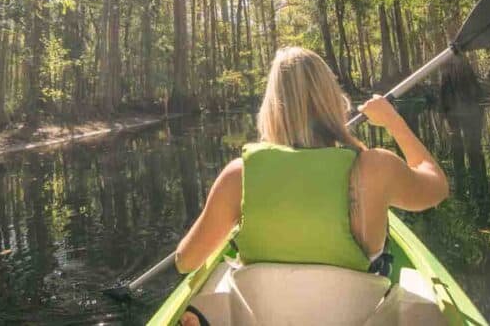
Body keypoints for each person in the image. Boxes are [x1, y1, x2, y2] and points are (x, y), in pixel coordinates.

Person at [176, 47, 449, 326]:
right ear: (332, 99)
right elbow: (437, 187)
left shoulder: (239, 176)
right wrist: (393, 121)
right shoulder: (377, 167)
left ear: (271, 106)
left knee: (219, 272)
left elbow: (185, 262)